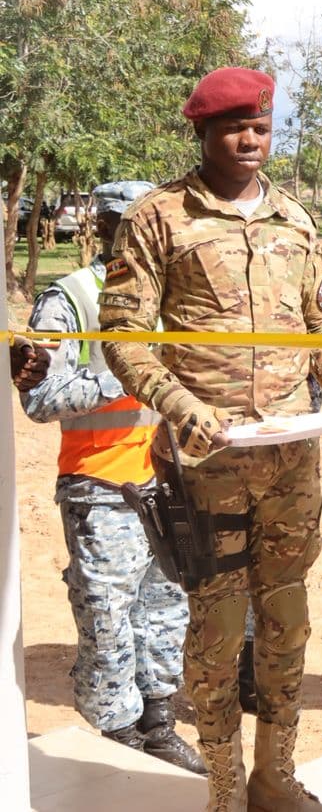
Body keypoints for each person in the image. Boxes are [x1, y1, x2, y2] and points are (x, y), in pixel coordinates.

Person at [99, 66, 322, 812]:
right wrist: (174, 402)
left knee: (287, 619)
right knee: (219, 628)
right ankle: (225, 789)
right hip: (210, 462)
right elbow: (124, 336)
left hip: (293, 459)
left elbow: (321, 332)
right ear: (201, 132)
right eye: (234, 126)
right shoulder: (158, 216)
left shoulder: (295, 219)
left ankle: (275, 777)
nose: (251, 138)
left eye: (260, 125)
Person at [18, 188, 204, 774]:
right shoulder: (71, 297)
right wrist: (132, 378)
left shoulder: (173, 295)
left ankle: (158, 722)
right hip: (101, 487)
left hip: (170, 481)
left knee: (166, 611)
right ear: (100, 227)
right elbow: (41, 397)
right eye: (121, 224)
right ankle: (115, 732)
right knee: (107, 618)